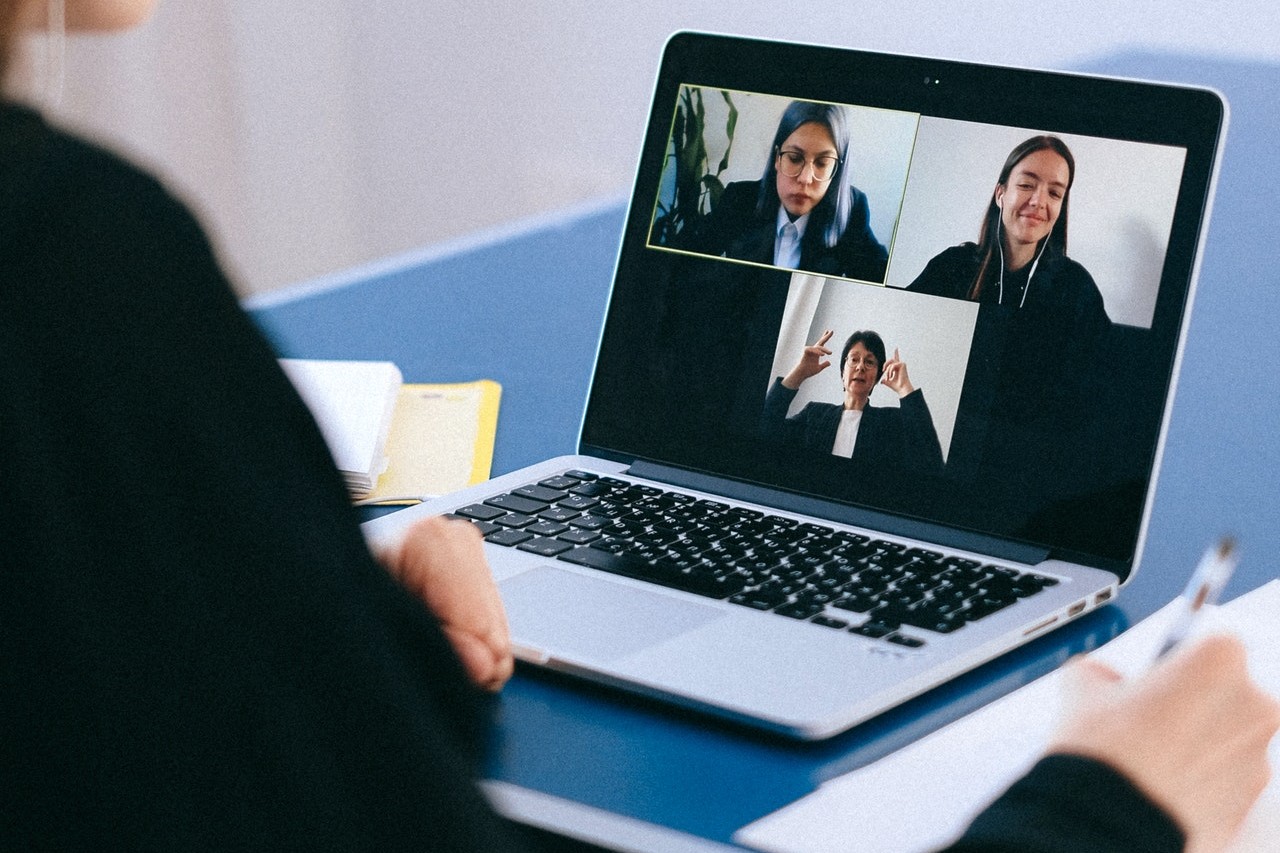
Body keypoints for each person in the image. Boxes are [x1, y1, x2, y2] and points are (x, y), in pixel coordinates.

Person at [2, 4, 1276, 851]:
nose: (1036, 201)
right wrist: (1110, 807)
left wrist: (304, 600)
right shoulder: (68, 279)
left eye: (1055, 188)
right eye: (1025, 179)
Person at [683, 99, 889, 281]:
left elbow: (882, 281)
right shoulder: (740, 199)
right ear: (777, 158)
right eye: (795, 158)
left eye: (822, 162)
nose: (805, 178)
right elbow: (684, 259)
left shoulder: (852, 213)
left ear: (837, 169)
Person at [762, 329, 944, 474]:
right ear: (842, 373)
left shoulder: (892, 421)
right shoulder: (814, 414)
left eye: (870, 362)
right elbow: (763, 432)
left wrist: (905, 389)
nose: (860, 367)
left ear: (877, 376)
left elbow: (931, 465)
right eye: (854, 359)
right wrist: (799, 373)